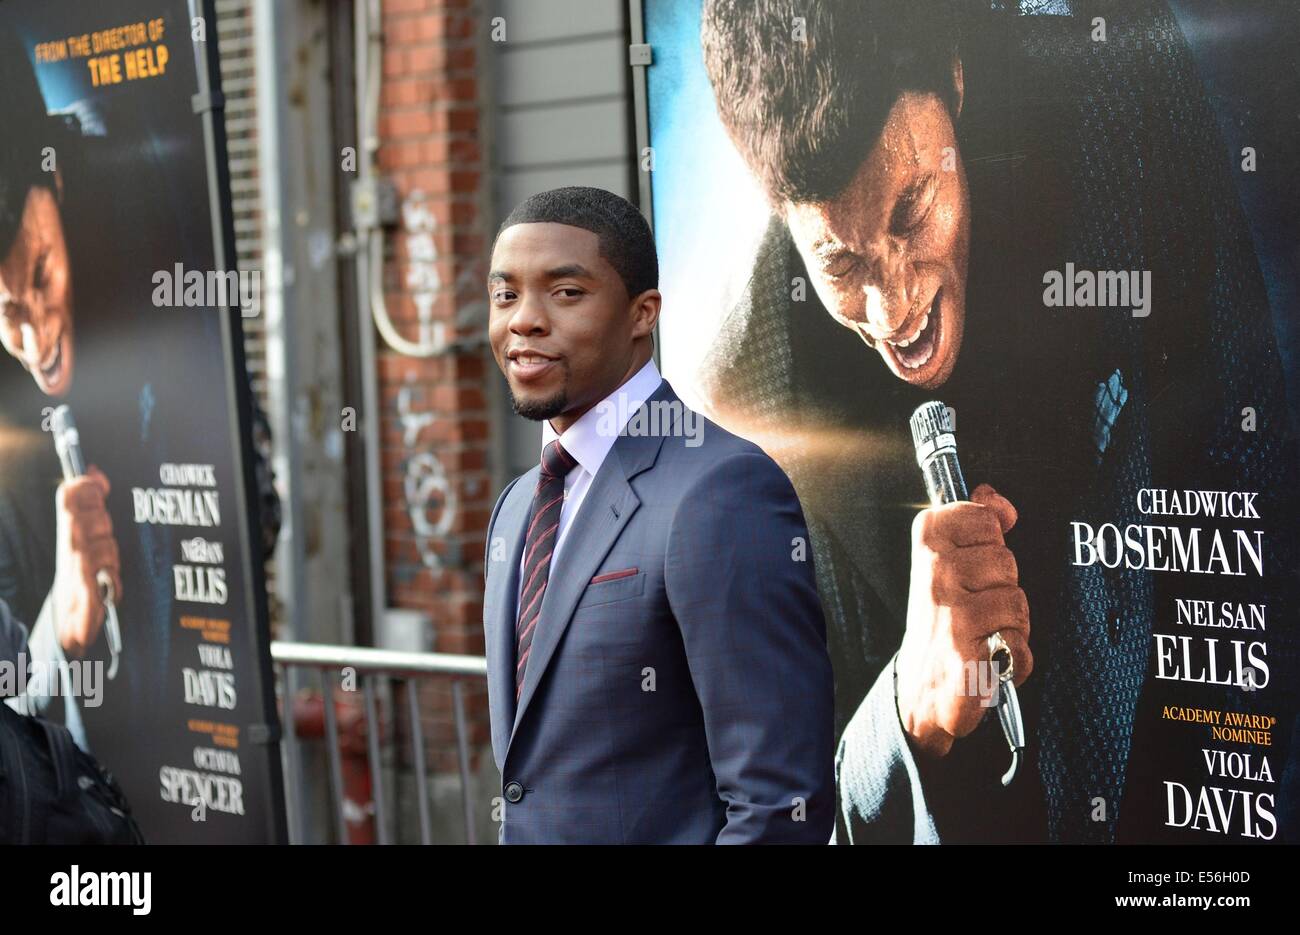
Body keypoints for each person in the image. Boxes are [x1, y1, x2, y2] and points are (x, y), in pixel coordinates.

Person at [697, 0, 1297, 842]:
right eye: (840, 261)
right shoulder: (747, 397)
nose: (894, 303)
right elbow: (776, 814)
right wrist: (911, 710)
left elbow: (1259, 487)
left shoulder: (1119, 116)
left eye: (911, 211)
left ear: (957, 77)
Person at [482, 186, 836, 843]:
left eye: (565, 292)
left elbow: (779, 803)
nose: (523, 320)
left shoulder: (722, 490)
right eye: (505, 294)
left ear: (642, 314)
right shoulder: (515, 511)